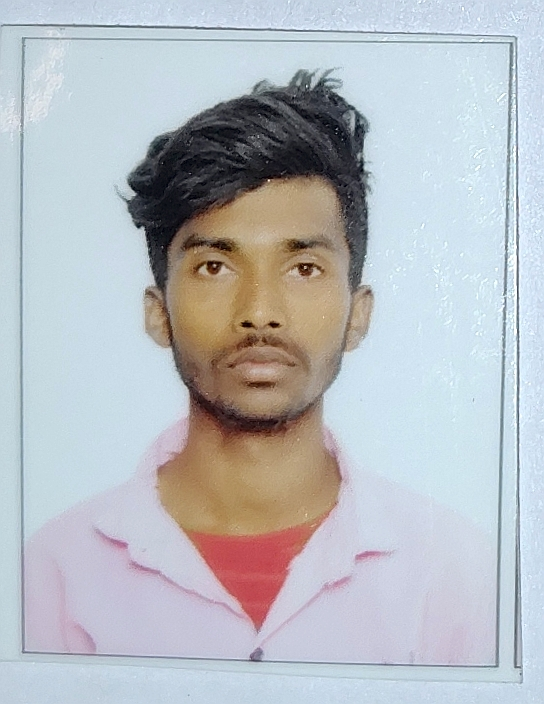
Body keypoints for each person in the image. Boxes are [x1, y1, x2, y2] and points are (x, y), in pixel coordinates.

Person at [23, 71, 496, 665]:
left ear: (358, 315)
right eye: (214, 267)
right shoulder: (52, 576)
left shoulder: (456, 575)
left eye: (303, 269)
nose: (260, 312)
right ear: (158, 313)